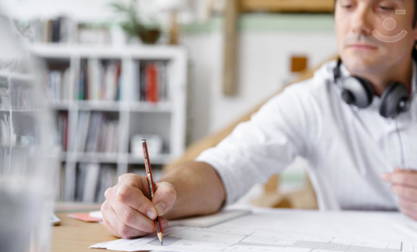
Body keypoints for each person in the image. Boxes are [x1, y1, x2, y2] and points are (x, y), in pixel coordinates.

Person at [101, 0, 417, 239]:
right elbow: (222, 170)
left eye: (385, 7)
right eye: (347, 5)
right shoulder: (310, 99)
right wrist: (160, 193)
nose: (358, 24)